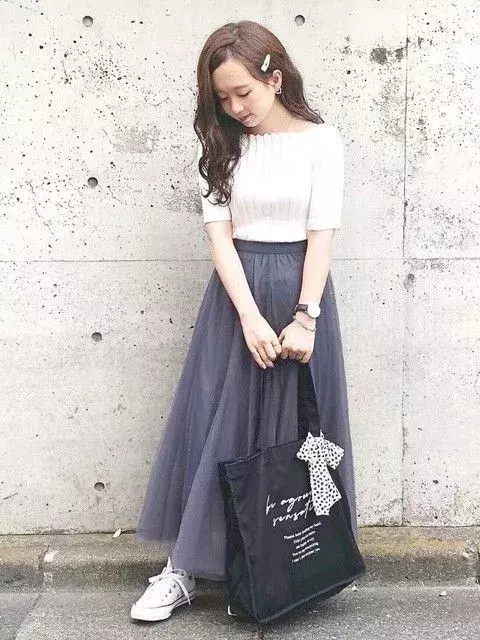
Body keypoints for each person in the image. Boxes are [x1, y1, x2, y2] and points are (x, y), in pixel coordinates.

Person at [130, 19, 359, 623]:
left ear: (274, 79)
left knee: (294, 438)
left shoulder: (322, 142)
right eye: (223, 98)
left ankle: (278, 571)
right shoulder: (221, 144)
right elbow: (220, 238)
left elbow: (321, 235)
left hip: (302, 298)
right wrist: (251, 318)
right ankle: (182, 569)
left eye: (244, 93)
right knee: (215, 428)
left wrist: (305, 316)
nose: (235, 108)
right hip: (235, 303)